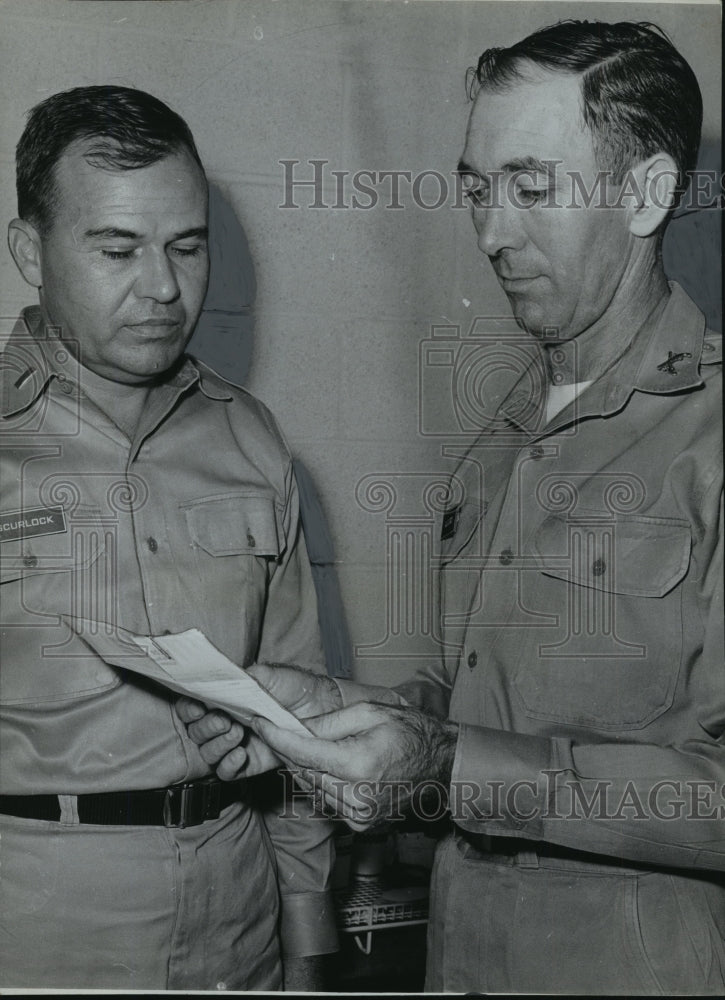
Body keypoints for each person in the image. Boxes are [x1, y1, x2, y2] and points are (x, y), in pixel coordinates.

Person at [179, 20, 724, 995]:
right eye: (476, 189)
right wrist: (340, 716)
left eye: (531, 187)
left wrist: (441, 766)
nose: (489, 233)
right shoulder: (493, 451)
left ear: (643, 194)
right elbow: (481, 713)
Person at [0, 85, 338, 991]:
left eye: (187, 247)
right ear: (29, 250)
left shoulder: (251, 437)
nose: (162, 287)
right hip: (40, 931)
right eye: (117, 249)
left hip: (239, 926)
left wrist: (306, 935)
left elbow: (299, 720)